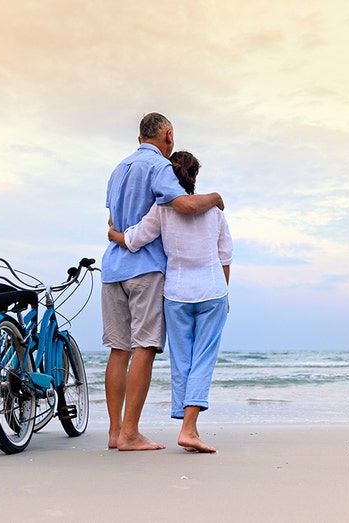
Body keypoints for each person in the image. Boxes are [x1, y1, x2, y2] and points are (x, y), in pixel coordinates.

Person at [102, 113, 223, 451]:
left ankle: (114, 433)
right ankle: (129, 433)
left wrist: (114, 235)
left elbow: (112, 221)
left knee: (118, 349)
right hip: (145, 269)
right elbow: (184, 205)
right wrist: (214, 197)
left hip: (112, 267)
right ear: (168, 135)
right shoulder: (159, 168)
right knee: (145, 346)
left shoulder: (117, 169)